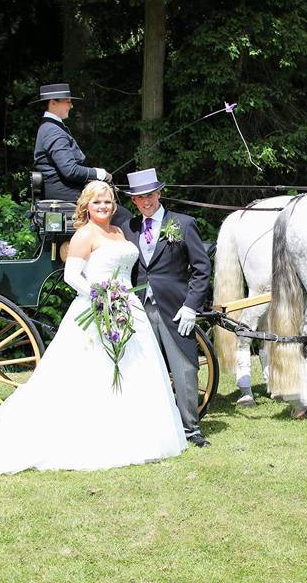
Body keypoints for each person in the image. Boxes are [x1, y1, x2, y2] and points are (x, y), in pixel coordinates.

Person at [0, 181, 186, 474]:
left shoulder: (119, 231)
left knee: (134, 366)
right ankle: (95, 436)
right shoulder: (85, 235)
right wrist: (100, 297)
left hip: (126, 306)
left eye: (107, 201)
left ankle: (134, 433)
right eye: (97, 202)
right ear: (87, 206)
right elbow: (72, 276)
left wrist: (118, 298)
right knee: (95, 372)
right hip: (97, 305)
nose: (104, 207)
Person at [121, 169, 213, 447]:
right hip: (137, 308)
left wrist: (191, 306)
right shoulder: (129, 228)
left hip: (175, 307)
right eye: (139, 198)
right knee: (141, 366)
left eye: (149, 195)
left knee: (184, 367)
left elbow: (201, 268)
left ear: (159, 193)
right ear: (133, 202)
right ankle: (149, 426)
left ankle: (191, 428)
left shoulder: (183, 224)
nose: (145, 201)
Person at [32, 82, 132, 227]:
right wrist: (99, 173)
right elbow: (70, 170)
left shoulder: (51, 127)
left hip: (69, 191)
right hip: (66, 196)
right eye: (68, 101)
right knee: (124, 218)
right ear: (53, 103)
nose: (71, 106)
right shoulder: (52, 130)